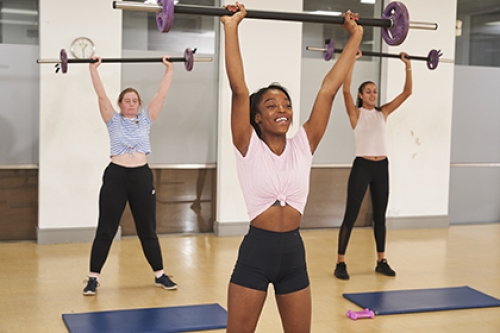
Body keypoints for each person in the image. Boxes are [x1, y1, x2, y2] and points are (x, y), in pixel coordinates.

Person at [220, 3, 363, 332]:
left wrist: (355, 36)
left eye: (286, 104)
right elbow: (239, 89)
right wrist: (232, 28)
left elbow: (327, 90)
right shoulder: (247, 145)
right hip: (256, 255)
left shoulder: (303, 144)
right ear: (257, 117)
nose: (282, 110)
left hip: (294, 257)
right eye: (271, 105)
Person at [82, 56, 177, 295]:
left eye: (135, 101)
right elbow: (101, 96)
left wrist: (170, 69)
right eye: (127, 100)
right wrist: (93, 69)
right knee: (106, 229)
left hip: (141, 178)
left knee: (147, 229)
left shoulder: (145, 120)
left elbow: (161, 95)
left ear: (139, 104)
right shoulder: (112, 121)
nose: (132, 104)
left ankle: (160, 275)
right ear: (121, 104)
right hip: (116, 177)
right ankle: (93, 278)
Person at [333, 50, 412, 280]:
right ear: (361, 94)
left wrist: (407, 65)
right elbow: (345, 90)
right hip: (362, 166)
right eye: (368, 91)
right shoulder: (356, 114)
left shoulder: (382, 112)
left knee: (380, 216)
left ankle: (381, 260)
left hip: (381, 167)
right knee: (351, 214)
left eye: (375, 91)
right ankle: (340, 263)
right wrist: (352, 62)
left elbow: (407, 92)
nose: (373, 94)